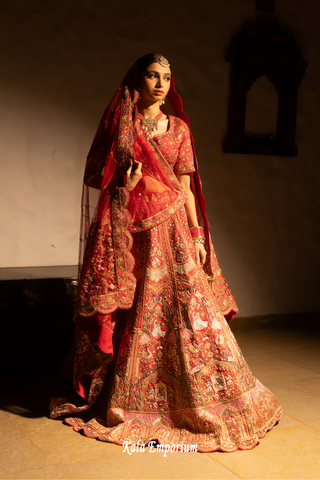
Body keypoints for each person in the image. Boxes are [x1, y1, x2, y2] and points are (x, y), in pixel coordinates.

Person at [50, 53, 282, 452]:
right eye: (153, 75)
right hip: (135, 234)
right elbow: (105, 180)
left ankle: (207, 394)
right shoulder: (124, 126)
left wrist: (197, 234)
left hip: (174, 229)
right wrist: (126, 181)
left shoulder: (178, 129)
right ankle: (134, 396)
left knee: (190, 307)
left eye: (167, 77)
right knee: (140, 309)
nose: (161, 84)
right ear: (137, 81)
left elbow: (186, 187)